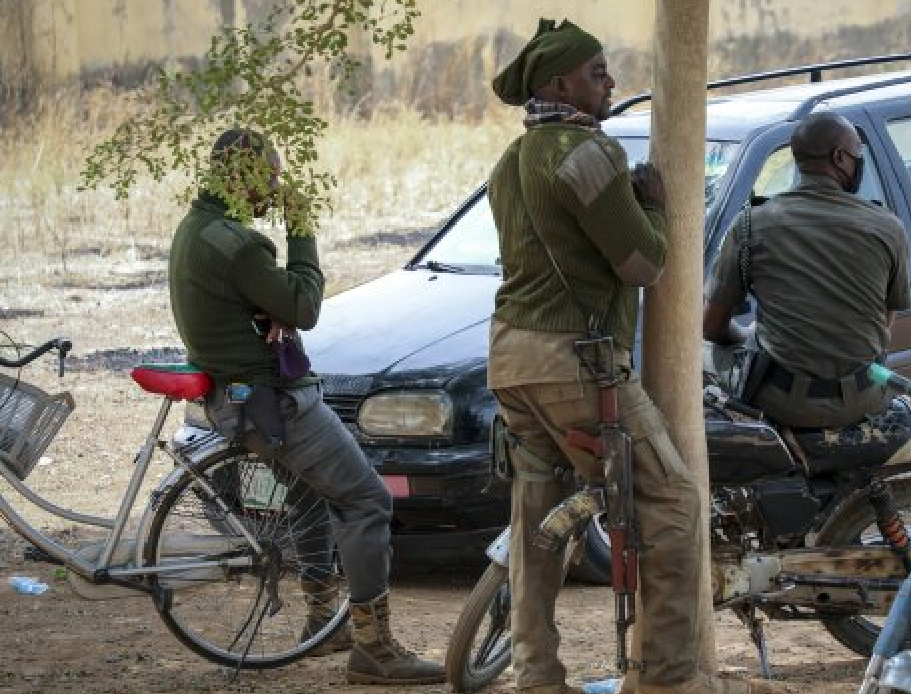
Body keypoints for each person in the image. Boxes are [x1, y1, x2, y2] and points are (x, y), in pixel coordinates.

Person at [487, 18, 780, 694]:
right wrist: (658, 209)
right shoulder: (588, 156)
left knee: (536, 522)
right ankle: (672, 679)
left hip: (511, 359)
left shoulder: (510, 161)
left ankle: (536, 677)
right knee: (674, 503)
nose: (611, 83)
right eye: (597, 73)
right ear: (559, 83)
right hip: (576, 365)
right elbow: (643, 264)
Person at [167, 129, 444, 686]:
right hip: (275, 407)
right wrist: (300, 227)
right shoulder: (241, 246)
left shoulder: (197, 230)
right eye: (269, 174)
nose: (277, 184)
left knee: (310, 499)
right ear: (242, 177)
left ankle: (325, 620)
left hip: (236, 402)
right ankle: (375, 648)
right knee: (367, 502)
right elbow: (307, 305)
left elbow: (258, 303)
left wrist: (267, 309)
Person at [702, 112, 911, 428]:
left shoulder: (751, 224)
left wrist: (748, 335)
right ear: (840, 158)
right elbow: (882, 330)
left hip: (785, 403)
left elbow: (711, 327)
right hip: (865, 399)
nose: (859, 162)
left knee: (701, 353)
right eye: (857, 154)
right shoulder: (888, 227)